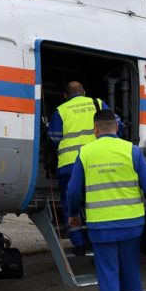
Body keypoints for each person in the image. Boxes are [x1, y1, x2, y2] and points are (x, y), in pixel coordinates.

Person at [66, 109, 146, 291]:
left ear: (95, 129)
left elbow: (73, 191)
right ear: (116, 128)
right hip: (131, 224)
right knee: (130, 271)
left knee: (108, 275)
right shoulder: (131, 150)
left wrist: (73, 214)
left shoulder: (85, 152)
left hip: (101, 226)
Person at [48, 81, 108, 254]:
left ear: (65, 96)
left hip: (69, 165)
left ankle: (78, 241)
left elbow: (54, 138)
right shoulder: (98, 103)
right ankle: (99, 240)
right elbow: (115, 127)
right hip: (96, 163)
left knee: (70, 206)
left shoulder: (61, 110)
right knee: (97, 203)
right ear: (84, 92)